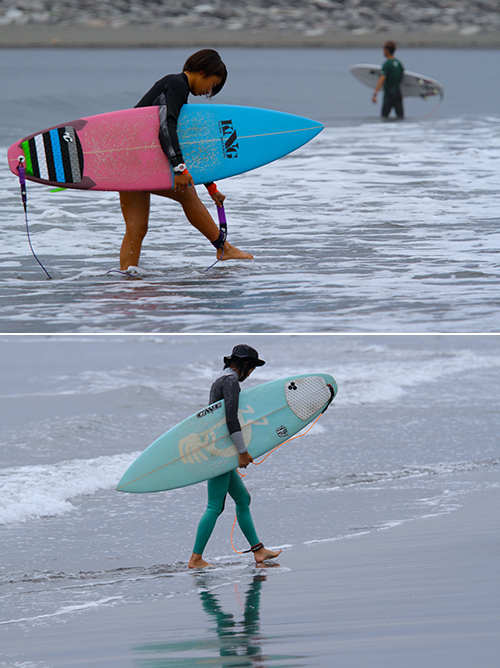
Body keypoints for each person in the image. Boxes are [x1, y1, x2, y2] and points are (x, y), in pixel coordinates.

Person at [119, 49, 253, 271]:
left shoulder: (175, 89)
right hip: (140, 160)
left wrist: (210, 186)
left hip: (127, 158)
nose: (209, 91)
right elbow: (165, 126)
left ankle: (126, 278)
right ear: (203, 71)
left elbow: (187, 145)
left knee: (136, 227)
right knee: (187, 193)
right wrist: (180, 169)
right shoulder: (176, 84)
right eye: (212, 84)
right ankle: (223, 248)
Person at [188, 345, 282, 568]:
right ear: (246, 364)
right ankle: (195, 558)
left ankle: (259, 551)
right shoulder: (230, 383)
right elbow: (231, 419)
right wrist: (242, 452)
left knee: (243, 499)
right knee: (214, 506)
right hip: (220, 453)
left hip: (220, 449)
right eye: (252, 368)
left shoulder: (219, 380)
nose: (251, 374)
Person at [372, 41, 404, 120]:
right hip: (398, 94)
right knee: (400, 118)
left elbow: (381, 79)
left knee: (384, 118)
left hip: (389, 95)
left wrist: (375, 93)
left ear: (387, 50)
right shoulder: (399, 63)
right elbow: (402, 78)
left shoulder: (387, 64)